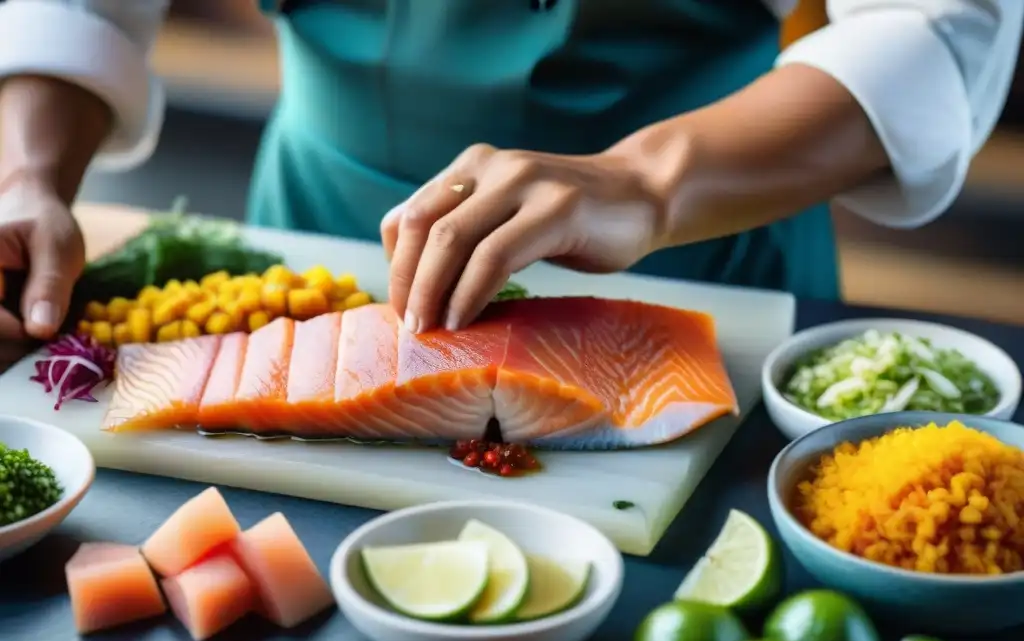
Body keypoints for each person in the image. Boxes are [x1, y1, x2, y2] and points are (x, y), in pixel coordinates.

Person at [0, 1, 1021, 341]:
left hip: (694, 251)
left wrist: (647, 179)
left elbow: (932, 25)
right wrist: (25, 176)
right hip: (308, 241)